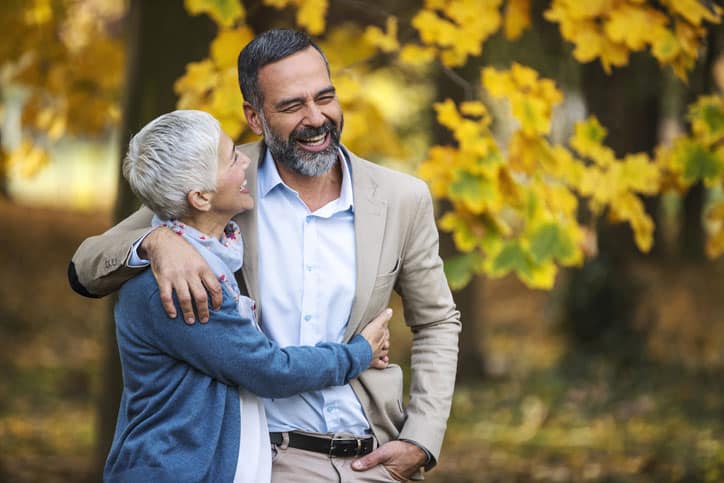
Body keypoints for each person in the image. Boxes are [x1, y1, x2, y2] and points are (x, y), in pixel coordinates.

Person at [69, 29, 461, 482]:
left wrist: (421, 439)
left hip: (374, 459)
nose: (317, 118)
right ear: (254, 116)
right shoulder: (224, 185)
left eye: (325, 98)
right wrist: (154, 243)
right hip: (268, 461)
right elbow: (85, 264)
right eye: (293, 106)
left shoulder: (401, 197)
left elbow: (437, 321)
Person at [104, 109, 392, 483]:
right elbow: (269, 369)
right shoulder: (182, 288)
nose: (245, 162)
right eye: (231, 159)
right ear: (201, 197)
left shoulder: (212, 256)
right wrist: (360, 353)